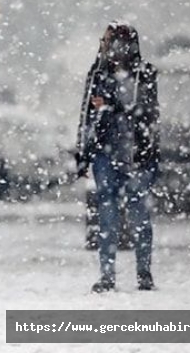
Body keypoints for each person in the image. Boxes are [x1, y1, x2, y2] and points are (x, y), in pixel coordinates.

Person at [76, 22, 160, 293]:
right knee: (108, 215)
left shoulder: (143, 74)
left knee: (137, 216)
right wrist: (84, 151)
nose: (110, 49)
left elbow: (144, 111)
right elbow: (88, 113)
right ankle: (109, 275)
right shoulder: (98, 73)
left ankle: (143, 273)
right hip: (106, 153)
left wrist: (110, 107)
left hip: (136, 153)